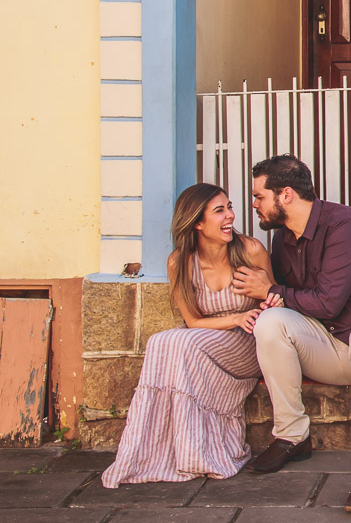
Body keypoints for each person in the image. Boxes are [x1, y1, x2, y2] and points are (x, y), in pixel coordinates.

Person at [232, 154, 351, 514]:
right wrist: (268, 299)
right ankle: (291, 435)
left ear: (285, 195)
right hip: (332, 347)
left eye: (258, 196)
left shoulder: (343, 224)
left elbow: (328, 303)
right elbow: (289, 302)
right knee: (271, 323)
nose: (254, 205)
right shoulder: (283, 240)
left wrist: (271, 289)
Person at [101, 183, 281, 488]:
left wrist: (267, 300)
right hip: (206, 343)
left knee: (176, 342)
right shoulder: (179, 263)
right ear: (197, 222)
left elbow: (275, 302)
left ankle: (195, 449)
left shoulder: (250, 250)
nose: (231, 216)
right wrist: (234, 317)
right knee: (162, 341)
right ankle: (163, 450)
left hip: (247, 345)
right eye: (220, 210)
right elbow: (193, 321)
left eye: (230, 207)